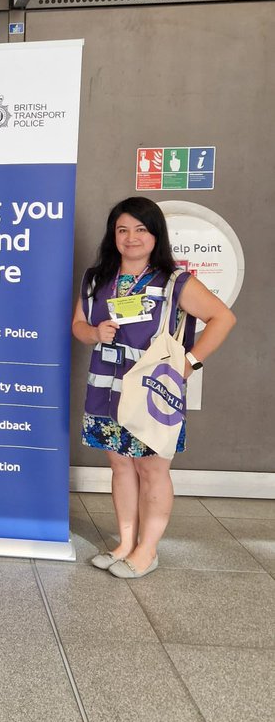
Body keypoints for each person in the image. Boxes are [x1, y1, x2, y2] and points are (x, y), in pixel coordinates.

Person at [72, 196, 235, 579]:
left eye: (141, 229)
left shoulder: (174, 281)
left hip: (151, 390)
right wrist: (94, 332)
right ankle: (126, 543)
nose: (131, 238)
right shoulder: (96, 279)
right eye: (122, 230)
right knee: (120, 465)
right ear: (113, 236)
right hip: (106, 386)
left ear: (156, 234)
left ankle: (148, 549)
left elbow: (222, 318)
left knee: (152, 469)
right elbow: (78, 326)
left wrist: (189, 363)